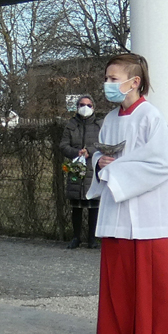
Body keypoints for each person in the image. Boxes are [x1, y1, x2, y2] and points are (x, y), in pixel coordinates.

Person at [87, 53, 168, 334]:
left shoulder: (151, 117)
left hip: (147, 217)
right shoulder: (111, 119)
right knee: (125, 288)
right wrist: (100, 163)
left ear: (135, 82)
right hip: (117, 215)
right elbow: (102, 156)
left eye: (114, 79)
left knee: (150, 289)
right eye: (107, 78)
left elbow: (161, 164)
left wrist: (115, 171)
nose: (109, 84)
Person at [60, 95, 103, 249]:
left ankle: (92, 239)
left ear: (94, 107)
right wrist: (76, 152)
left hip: (93, 169)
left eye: (89, 105)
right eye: (82, 104)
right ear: (77, 106)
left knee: (94, 206)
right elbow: (63, 145)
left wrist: (89, 151)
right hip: (76, 169)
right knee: (76, 206)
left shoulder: (100, 125)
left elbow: (103, 145)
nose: (85, 107)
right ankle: (76, 237)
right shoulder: (71, 125)